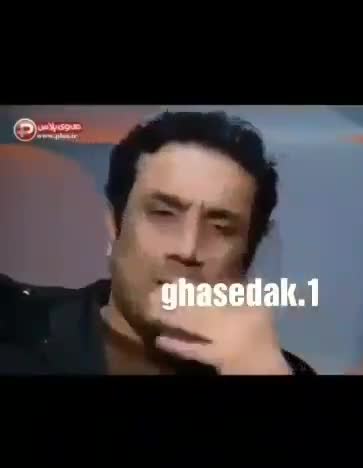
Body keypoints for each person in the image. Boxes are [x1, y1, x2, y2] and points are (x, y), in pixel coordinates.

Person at [0, 111, 315, 375]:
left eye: (220, 228)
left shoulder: (274, 369)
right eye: (163, 214)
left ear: (249, 253)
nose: (187, 249)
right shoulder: (16, 327)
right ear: (114, 224)